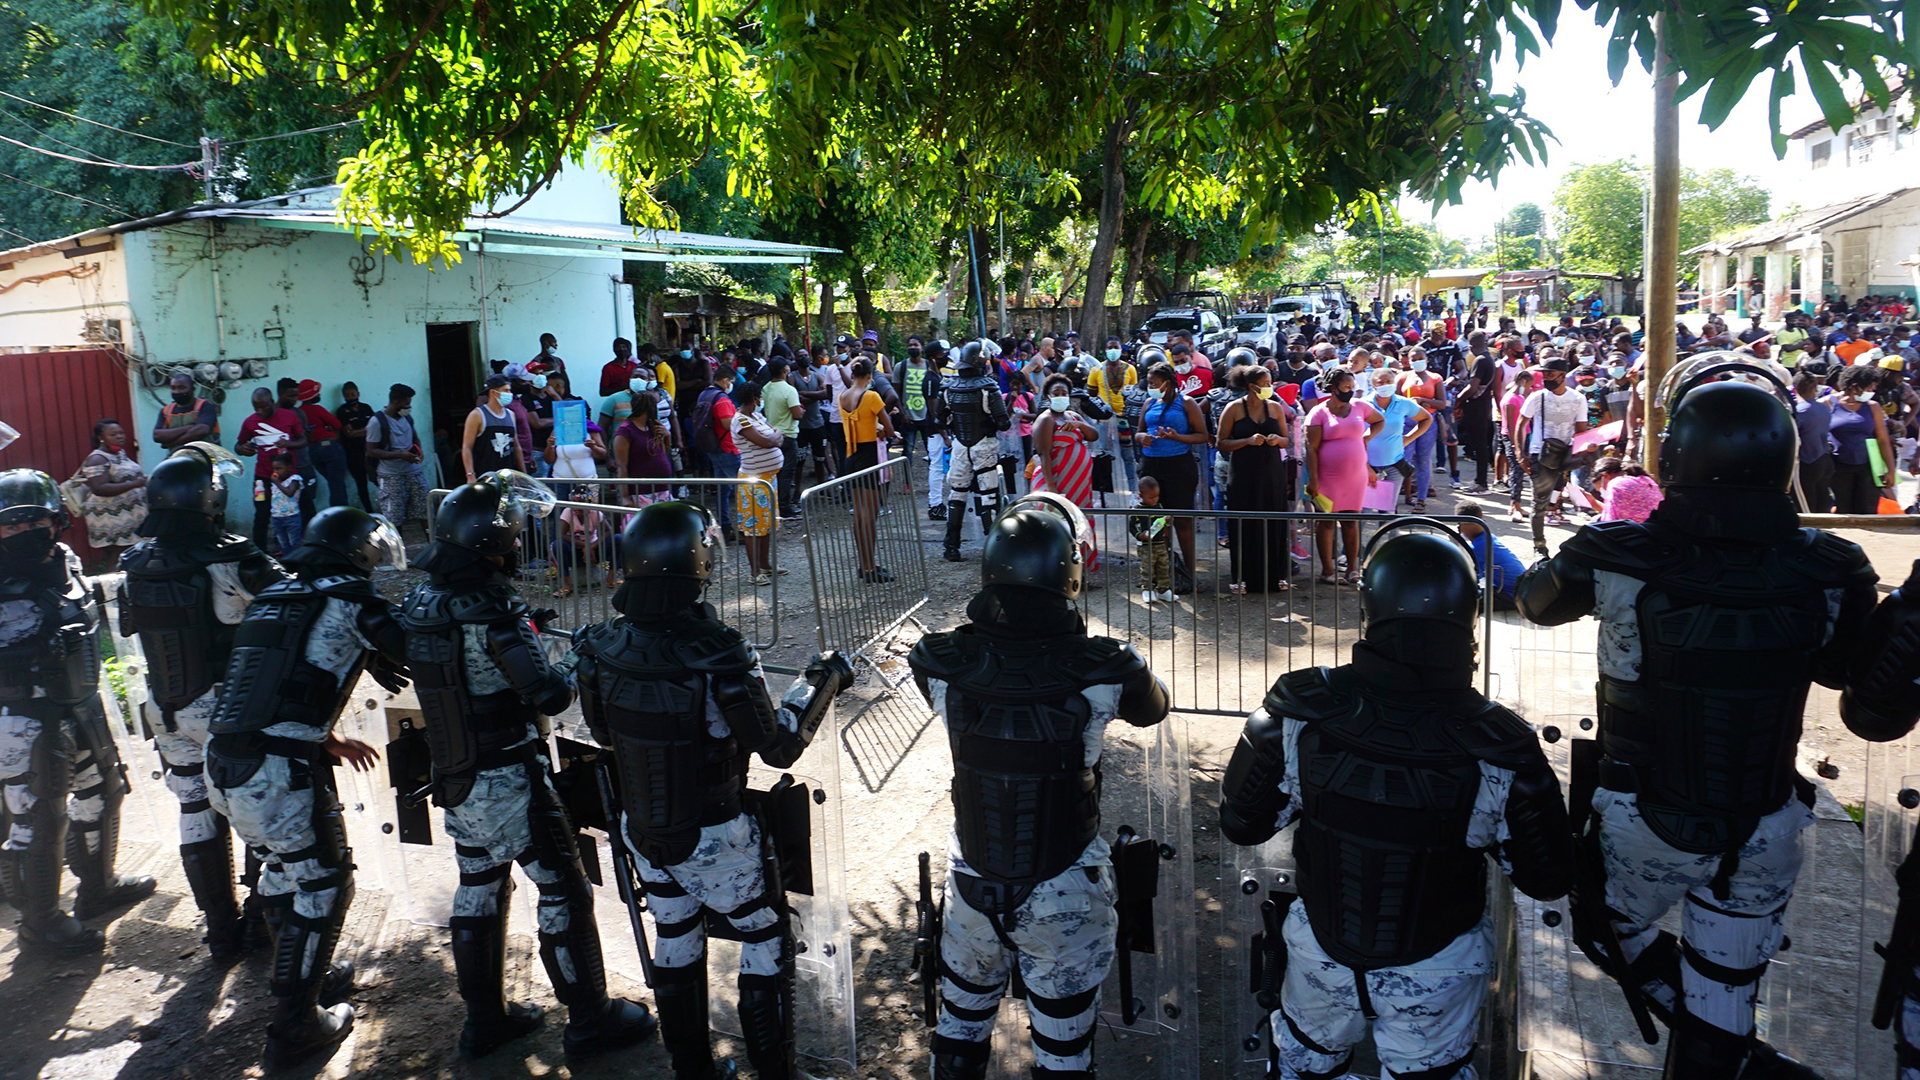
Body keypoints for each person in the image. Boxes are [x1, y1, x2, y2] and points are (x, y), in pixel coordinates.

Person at [1514, 371, 1892, 1079]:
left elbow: (1535, 601)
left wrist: (1594, 539)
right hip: (1764, 820)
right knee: (1724, 997)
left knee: (1603, 927)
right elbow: (1853, 684)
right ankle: (1731, 1053)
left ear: (1679, 455)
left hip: (1643, 818)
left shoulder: (1617, 556)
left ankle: (1743, 1060)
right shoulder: (1831, 568)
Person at [1219, 530, 1573, 1080]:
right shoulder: (1501, 747)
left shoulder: (1298, 713)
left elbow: (1243, 824)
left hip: (1319, 952)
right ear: (1468, 618)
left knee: (1304, 1068)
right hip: (1437, 968)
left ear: (1370, 607)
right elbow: (1545, 876)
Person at [570, 502, 850, 1080]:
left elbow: (601, 733)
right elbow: (778, 747)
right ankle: (776, 1072)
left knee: (674, 932)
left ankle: (692, 1071)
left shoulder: (599, 645)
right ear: (695, 564)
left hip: (643, 828)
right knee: (766, 934)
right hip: (716, 830)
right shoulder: (718, 652)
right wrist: (822, 682)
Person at [909, 496, 1170, 1080]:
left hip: (973, 883)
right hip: (1064, 887)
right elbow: (1154, 708)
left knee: (957, 1033)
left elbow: (944, 657)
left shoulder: (941, 661)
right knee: (1064, 1053)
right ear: (1068, 572)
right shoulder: (1105, 668)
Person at [399, 478, 659, 1059]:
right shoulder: (494, 612)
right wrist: (582, 653)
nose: (518, 542)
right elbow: (546, 694)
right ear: (489, 544)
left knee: (479, 885)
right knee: (563, 889)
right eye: (511, 535)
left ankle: (483, 1021)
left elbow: (459, 667)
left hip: (457, 774)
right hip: (511, 775)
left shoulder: (420, 603)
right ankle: (591, 1019)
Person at [205, 507, 408, 1066]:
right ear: (359, 550)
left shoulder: (278, 594)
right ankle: (296, 1022)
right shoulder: (350, 596)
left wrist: (329, 738)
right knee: (326, 883)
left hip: (224, 760)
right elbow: (418, 650)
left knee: (281, 867)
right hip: (276, 770)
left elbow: (281, 675)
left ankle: (301, 970)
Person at [119, 444, 291, 961]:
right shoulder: (231, 556)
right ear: (207, 498)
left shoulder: (135, 562)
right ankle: (265, 928)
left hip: (166, 708)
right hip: (227, 708)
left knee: (195, 808)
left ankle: (219, 932)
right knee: (263, 817)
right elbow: (293, 600)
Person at [0, 470, 156, 954]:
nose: (26, 531)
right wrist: (27, 657)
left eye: (35, 520)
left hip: (80, 703)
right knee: (39, 819)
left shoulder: (65, 559)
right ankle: (40, 921)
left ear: (57, 520)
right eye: (11, 524)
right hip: (23, 716)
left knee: (104, 792)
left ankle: (98, 887)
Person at [1217, 363, 1292, 593]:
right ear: (1251, 386)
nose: (1270, 387)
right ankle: (1241, 577)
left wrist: (1276, 440)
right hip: (1243, 475)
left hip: (1272, 474)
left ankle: (1277, 575)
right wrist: (1246, 441)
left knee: (1274, 522)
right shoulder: (1233, 408)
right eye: (1266, 384)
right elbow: (1221, 443)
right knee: (1244, 524)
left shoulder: (1276, 407)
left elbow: (1286, 439)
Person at [1304, 367, 1383, 585]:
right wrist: (1313, 480)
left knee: (1351, 522)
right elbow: (1311, 449)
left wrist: (1365, 439)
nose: (1351, 390)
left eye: (1352, 386)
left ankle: (1352, 568)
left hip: (1355, 476)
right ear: (1333, 388)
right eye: (1346, 386)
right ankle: (1327, 571)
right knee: (1326, 523)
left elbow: (1379, 420)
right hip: (1327, 476)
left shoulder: (1359, 407)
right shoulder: (1319, 413)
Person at [937, 341, 1012, 563]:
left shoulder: (948, 387)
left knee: (956, 494)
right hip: (984, 444)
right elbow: (1004, 423)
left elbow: (937, 419)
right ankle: (994, 548)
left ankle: (951, 546)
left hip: (959, 445)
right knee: (989, 495)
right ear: (982, 361)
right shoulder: (988, 387)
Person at [1135, 356, 1209, 581]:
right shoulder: (1149, 403)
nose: (1151, 387)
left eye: (1154, 383)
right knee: (1158, 520)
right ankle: (1164, 572)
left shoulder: (1186, 403)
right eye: (1148, 383)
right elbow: (1137, 432)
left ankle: (1189, 572)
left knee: (1182, 520)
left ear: (1168, 382)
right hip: (1151, 467)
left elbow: (1203, 435)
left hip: (1179, 466)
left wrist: (1178, 437)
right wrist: (1142, 437)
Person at [1515, 360, 1590, 554]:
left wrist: (1587, 448)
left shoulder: (1578, 399)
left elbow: (1581, 430)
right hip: (1540, 455)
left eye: (1550, 374)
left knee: (1555, 499)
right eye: (1544, 374)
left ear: (1563, 376)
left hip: (1565, 456)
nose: (1545, 377)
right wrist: (1520, 453)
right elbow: (1521, 424)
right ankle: (1539, 545)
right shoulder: (1537, 397)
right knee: (1539, 502)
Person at [841, 359, 898, 583]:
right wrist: (885, 427)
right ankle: (868, 567)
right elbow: (890, 429)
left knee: (860, 513)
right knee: (869, 515)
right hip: (869, 456)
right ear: (870, 374)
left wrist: (878, 426)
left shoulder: (843, 396)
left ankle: (865, 564)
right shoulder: (872, 396)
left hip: (851, 455)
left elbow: (860, 422)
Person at [235, 386, 310, 549]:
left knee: (296, 513)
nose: (261, 411)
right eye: (257, 408)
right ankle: (260, 553)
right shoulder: (250, 422)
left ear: (273, 402)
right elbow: (239, 445)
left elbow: (303, 440)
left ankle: (299, 550)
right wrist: (243, 450)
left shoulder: (289, 416)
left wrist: (289, 443)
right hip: (262, 477)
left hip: (289, 477)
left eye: (264, 406)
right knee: (262, 514)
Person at [731, 378, 786, 584]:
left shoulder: (756, 416)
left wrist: (775, 436)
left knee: (767, 524)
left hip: (768, 479)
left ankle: (766, 564)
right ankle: (755, 571)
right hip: (754, 481)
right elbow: (768, 440)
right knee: (753, 525)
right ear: (755, 399)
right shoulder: (741, 420)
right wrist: (776, 435)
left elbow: (775, 437)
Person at [1830, 364, 1897, 514]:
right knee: (1842, 511)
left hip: (1868, 467)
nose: (1871, 392)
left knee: (1867, 509)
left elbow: (1883, 440)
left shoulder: (1873, 407)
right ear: (1855, 387)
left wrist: (1890, 471)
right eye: (1869, 388)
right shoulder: (1829, 404)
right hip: (1839, 468)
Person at [365, 384, 429, 540]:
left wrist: (418, 450)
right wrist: (400, 455)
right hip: (390, 475)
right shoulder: (376, 422)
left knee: (426, 511)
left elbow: (415, 437)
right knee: (394, 517)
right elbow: (372, 451)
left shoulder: (407, 417)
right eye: (406, 403)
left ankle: (432, 545)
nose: (409, 406)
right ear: (395, 401)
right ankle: (398, 553)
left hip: (413, 472)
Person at [1364, 367, 1433, 510]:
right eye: (1380, 382)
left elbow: (1426, 419)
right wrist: (1366, 466)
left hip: (1394, 465)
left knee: (1387, 511)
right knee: (1366, 511)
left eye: (1388, 381)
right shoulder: (1363, 405)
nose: (1385, 385)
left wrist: (1408, 438)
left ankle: (1388, 533)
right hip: (1368, 466)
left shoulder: (1403, 403)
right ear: (1373, 385)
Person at [77, 418, 148, 548]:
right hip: (111, 516)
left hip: (131, 513)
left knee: (133, 552)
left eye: (121, 433)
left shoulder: (120, 453)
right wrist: (135, 484)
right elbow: (99, 488)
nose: (120, 436)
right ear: (101, 438)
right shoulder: (97, 459)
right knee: (116, 553)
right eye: (113, 434)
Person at [1031, 373, 1097, 508]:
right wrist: (1051, 487)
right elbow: (1044, 454)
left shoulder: (1073, 416)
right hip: (1056, 481)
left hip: (1079, 484)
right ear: (1047, 397)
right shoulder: (1046, 419)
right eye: (1056, 394)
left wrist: (1080, 425)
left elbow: (1093, 435)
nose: (1060, 396)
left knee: (1079, 522)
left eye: (1064, 393)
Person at [1454, 503, 1526, 609]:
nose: (1458, 528)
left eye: (1459, 525)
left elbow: (1466, 576)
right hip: (1520, 590)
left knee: (1461, 600)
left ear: (1464, 525)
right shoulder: (1488, 537)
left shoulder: (1478, 548)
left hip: (1512, 596)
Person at [613, 390, 677, 508]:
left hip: (662, 490)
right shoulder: (625, 431)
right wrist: (625, 497)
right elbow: (622, 465)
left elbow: (661, 453)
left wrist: (667, 436)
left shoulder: (654, 426)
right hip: (642, 493)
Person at [295, 380, 351, 509]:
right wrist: (327, 427)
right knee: (337, 485)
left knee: (333, 483)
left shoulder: (297, 412)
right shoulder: (317, 409)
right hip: (330, 448)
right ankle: (342, 517)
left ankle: (337, 516)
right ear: (312, 395)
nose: (319, 395)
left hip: (312, 452)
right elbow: (337, 424)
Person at [760, 358, 804, 517]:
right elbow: (797, 414)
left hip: (772, 434)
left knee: (776, 472)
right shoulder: (789, 390)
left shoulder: (766, 388)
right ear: (785, 369)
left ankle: (775, 504)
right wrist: (801, 411)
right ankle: (784, 507)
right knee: (787, 473)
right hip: (788, 435)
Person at [1455, 332, 1498, 494]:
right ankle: (1480, 482)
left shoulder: (1480, 360)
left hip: (1476, 408)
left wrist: (1458, 401)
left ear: (1471, 347)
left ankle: (1481, 483)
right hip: (1484, 406)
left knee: (1479, 446)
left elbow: (1472, 387)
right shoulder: (1489, 359)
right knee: (1481, 446)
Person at [464, 373, 527, 483]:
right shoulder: (477, 415)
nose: (509, 394)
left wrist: (524, 475)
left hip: (507, 476)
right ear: (493, 392)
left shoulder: (510, 415)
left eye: (509, 390)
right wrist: (470, 475)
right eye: (506, 390)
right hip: (485, 476)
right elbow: (467, 447)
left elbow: (516, 446)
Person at [1129, 474, 1175, 602]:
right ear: (1141, 495)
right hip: (1145, 545)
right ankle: (1147, 590)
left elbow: (1165, 525)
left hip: (1160, 543)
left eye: (1157, 496)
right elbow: (1131, 526)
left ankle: (1164, 590)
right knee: (1147, 568)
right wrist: (1140, 535)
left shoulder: (1159, 507)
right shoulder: (1138, 509)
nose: (1154, 500)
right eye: (1151, 497)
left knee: (1163, 567)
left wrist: (1167, 523)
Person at [154, 372, 220, 453]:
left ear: (193, 389)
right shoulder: (166, 411)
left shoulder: (204, 406)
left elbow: (201, 431)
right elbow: (157, 435)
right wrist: (190, 427)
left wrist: (173, 443)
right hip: (178, 457)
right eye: (173, 388)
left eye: (182, 388)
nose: (177, 392)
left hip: (206, 456)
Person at [335, 382, 376, 511]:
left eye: (353, 394)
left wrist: (359, 431)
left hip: (371, 450)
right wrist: (366, 429)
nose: (351, 397)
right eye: (347, 395)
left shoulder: (366, 408)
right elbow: (349, 434)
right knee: (361, 483)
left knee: (378, 479)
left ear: (358, 393)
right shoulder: (342, 411)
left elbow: (375, 428)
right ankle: (370, 512)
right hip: (353, 453)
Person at [1592, 456, 1662, 523]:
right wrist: (1593, 502)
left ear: (1605, 476)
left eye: (1600, 488)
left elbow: (1609, 521)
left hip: (1637, 531)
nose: (1600, 491)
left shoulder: (1616, 484)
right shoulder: (1645, 479)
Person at [268, 455, 306, 554]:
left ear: (289, 468)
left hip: (291, 517)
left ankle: (297, 562)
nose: (276, 472)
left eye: (279, 469)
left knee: (294, 542)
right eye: (274, 469)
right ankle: (288, 563)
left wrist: (277, 483)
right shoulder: (275, 483)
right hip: (277, 517)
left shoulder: (295, 479)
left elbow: (290, 493)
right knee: (283, 543)